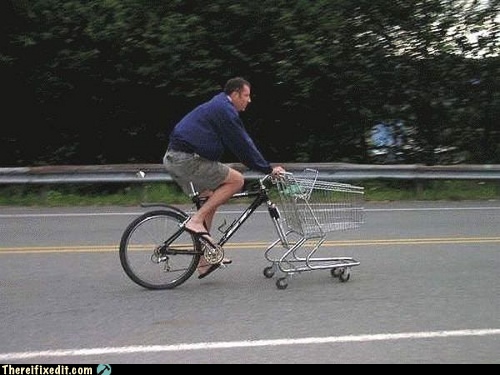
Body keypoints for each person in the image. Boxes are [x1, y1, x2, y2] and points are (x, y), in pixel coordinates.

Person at [163, 77, 285, 279]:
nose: (249, 100)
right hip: (184, 159)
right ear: (235, 94)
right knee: (236, 180)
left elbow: (238, 145)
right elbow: (243, 145)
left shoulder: (219, 106)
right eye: (246, 95)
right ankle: (196, 220)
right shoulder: (224, 110)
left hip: (178, 158)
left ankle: (204, 260)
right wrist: (267, 169)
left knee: (209, 198)